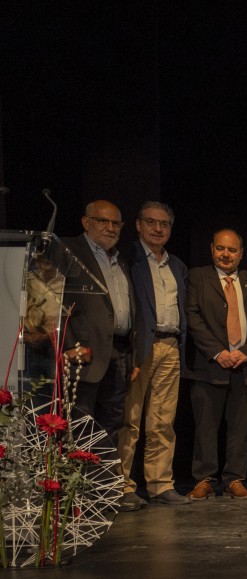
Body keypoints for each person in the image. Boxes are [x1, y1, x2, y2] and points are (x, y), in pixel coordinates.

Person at [184, 229, 247, 500]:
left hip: (245, 368)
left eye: (232, 250)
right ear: (212, 249)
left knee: (240, 430)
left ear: (241, 253)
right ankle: (205, 479)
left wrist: (246, 351)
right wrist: (217, 351)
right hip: (209, 366)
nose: (226, 254)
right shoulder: (198, 277)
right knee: (206, 428)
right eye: (221, 248)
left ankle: (234, 479)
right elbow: (192, 316)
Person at [117, 201, 189, 511]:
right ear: (138, 225)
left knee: (163, 421)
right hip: (140, 347)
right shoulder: (126, 259)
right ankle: (121, 486)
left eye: (164, 224)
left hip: (170, 346)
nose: (158, 229)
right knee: (130, 420)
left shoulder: (177, 265)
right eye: (151, 222)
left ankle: (160, 484)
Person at [61, 200, 134, 445]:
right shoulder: (67, 251)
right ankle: (78, 482)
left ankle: (101, 481)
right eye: (103, 221)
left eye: (116, 223)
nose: (111, 228)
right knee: (81, 421)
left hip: (118, 352)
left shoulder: (119, 259)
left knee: (110, 423)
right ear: (86, 222)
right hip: (84, 353)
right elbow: (48, 302)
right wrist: (67, 346)